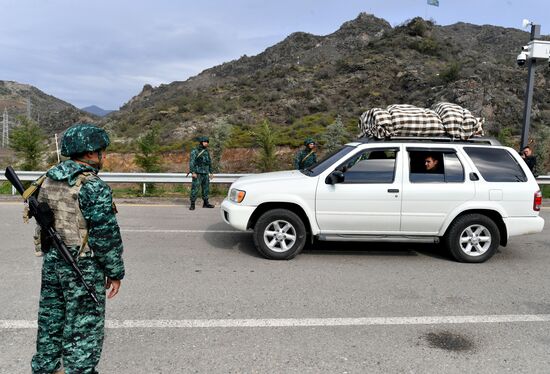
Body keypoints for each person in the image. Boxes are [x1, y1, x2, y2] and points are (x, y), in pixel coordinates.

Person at [31, 123, 125, 373]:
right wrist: (115, 272)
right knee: (84, 329)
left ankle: (46, 368)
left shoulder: (47, 178)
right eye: (100, 151)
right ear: (90, 153)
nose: (102, 156)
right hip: (81, 265)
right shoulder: (93, 186)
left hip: (53, 259)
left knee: (51, 320)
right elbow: (105, 236)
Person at [189, 136, 214, 210]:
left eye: (207, 142)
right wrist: (193, 172)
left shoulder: (206, 151)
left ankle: (205, 203)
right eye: (205, 142)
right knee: (195, 189)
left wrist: (211, 172)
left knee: (206, 188)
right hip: (197, 173)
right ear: (201, 142)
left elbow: (209, 162)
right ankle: (192, 204)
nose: (206, 143)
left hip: (205, 173)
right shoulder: (195, 151)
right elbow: (191, 162)